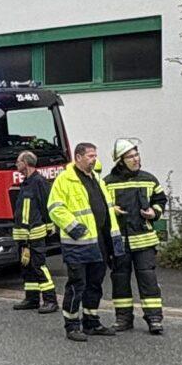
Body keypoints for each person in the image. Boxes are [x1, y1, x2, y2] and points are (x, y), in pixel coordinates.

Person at [45, 138, 118, 342]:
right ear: (78, 157)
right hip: (77, 243)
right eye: (90, 156)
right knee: (77, 284)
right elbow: (55, 208)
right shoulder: (65, 180)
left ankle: (91, 322)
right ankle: (72, 325)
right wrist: (75, 228)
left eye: (95, 156)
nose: (94, 159)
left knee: (95, 284)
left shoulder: (97, 179)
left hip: (98, 242)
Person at [105, 140, 166, 335]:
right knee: (120, 280)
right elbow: (100, 206)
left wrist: (154, 212)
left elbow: (160, 200)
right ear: (120, 161)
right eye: (130, 157)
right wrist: (111, 209)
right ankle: (123, 318)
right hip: (119, 241)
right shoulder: (107, 182)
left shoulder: (149, 179)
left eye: (136, 155)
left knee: (148, 279)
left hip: (144, 240)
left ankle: (154, 319)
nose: (136, 159)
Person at [9, 150, 57, 312]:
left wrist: (50, 226)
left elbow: (46, 205)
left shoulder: (39, 182)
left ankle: (50, 300)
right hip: (24, 235)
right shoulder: (26, 183)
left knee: (38, 266)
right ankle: (32, 298)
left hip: (35, 234)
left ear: (26, 163)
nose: (16, 164)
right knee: (27, 267)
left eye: (18, 161)